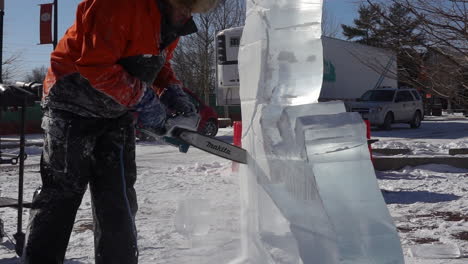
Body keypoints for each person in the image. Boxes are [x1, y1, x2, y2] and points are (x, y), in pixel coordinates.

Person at [21, 0, 218, 263]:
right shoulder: (118, 4)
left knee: (119, 203)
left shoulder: (171, 25)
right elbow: (95, 65)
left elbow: (158, 65)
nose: (186, 16)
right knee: (61, 198)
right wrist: (147, 103)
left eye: (191, 11)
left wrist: (172, 91)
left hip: (116, 111)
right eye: (184, 8)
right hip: (71, 102)